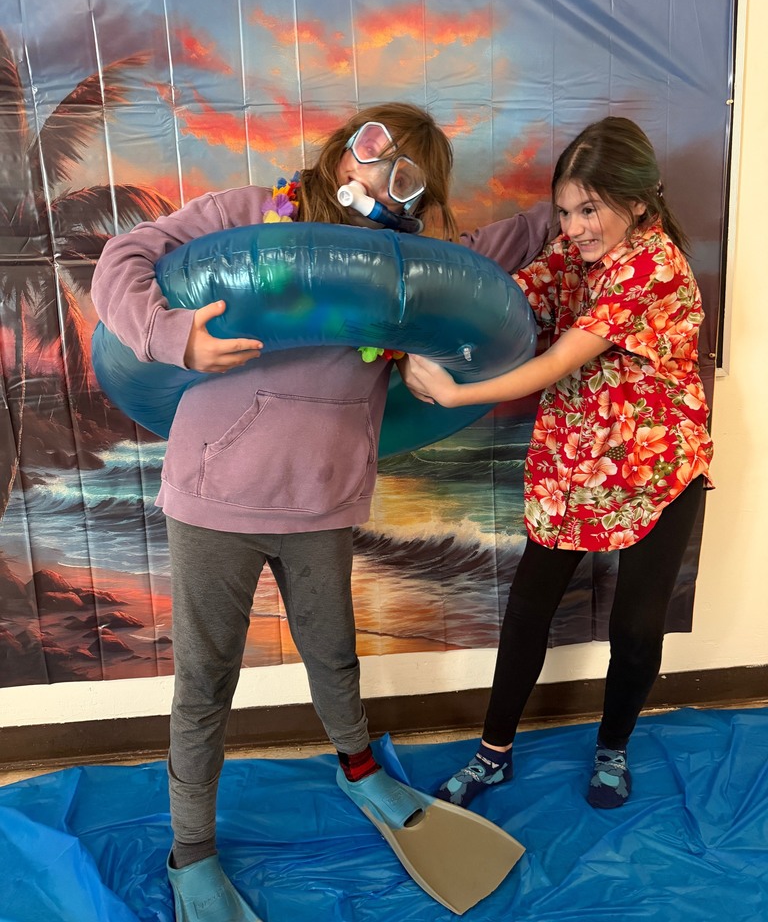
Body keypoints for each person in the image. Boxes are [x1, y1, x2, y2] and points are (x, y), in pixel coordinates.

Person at [91, 103, 470, 922]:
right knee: (206, 682)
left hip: (323, 504)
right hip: (215, 500)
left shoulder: (398, 274)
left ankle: (359, 768)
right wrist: (170, 337)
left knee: (334, 653)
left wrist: (428, 369)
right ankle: (190, 851)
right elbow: (124, 256)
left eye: (403, 173)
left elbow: (421, 354)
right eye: (374, 146)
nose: (377, 171)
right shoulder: (249, 213)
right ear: (345, 145)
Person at [402, 116, 714, 812]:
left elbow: (558, 361)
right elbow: (504, 303)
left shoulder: (652, 268)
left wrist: (457, 393)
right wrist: (416, 319)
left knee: (636, 629)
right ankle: (494, 753)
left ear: (638, 201)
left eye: (589, 208)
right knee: (527, 610)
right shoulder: (572, 256)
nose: (574, 227)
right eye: (566, 211)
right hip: (571, 464)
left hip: (656, 474)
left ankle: (613, 746)